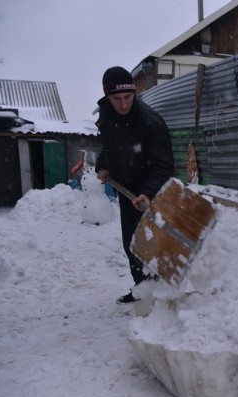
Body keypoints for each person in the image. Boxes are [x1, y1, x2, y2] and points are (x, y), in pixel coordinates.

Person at [95, 66, 175, 303]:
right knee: (132, 244)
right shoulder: (107, 114)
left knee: (154, 245)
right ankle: (142, 291)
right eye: (117, 99)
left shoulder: (150, 122)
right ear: (108, 97)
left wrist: (147, 192)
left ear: (134, 93)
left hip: (151, 193)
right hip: (126, 190)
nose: (123, 104)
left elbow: (164, 165)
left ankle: (163, 293)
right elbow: (108, 146)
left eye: (128, 97)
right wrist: (102, 164)